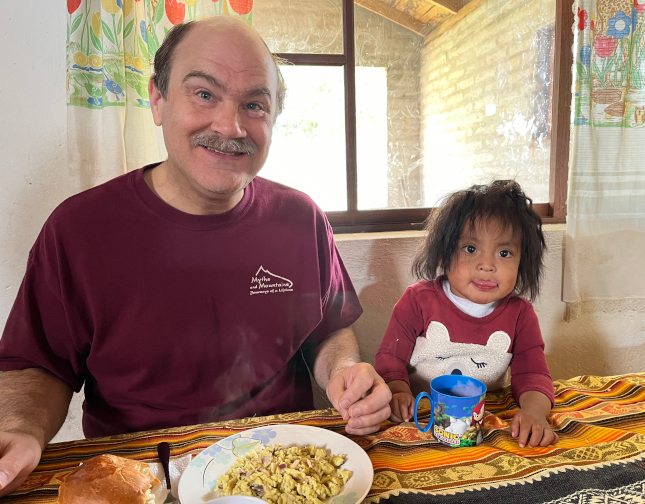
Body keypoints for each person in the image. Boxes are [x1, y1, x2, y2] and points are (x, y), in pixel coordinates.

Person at [0, 17, 391, 497]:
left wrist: (345, 375)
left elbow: (328, 331)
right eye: (204, 94)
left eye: (254, 104)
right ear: (158, 100)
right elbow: (38, 365)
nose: (230, 126)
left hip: (281, 469)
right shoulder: (78, 228)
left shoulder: (301, 217)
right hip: (142, 476)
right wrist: (22, 428)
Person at [375, 180, 558, 448]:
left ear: (523, 262)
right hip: (420, 421)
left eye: (504, 253)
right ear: (442, 253)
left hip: (482, 426)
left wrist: (534, 412)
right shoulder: (417, 300)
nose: (487, 265)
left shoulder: (521, 314)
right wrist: (397, 389)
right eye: (470, 249)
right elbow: (390, 358)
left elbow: (533, 376)